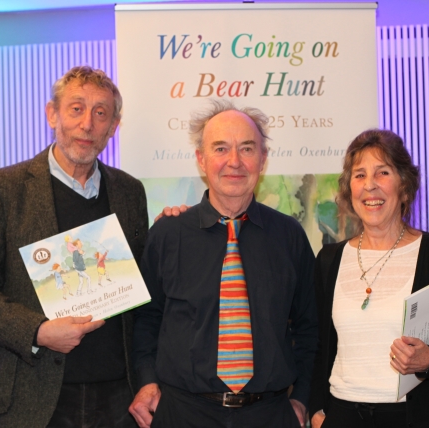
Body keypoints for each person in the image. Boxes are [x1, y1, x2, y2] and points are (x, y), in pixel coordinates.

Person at [0, 65, 148, 428]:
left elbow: (144, 287)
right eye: (76, 108)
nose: (87, 124)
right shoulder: (2, 188)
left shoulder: (130, 191)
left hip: (119, 397)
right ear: (51, 114)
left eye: (100, 113)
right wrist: (38, 331)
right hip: (30, 396)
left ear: (113, 127)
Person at [129, 100, 318, 428]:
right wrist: (146, 382)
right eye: (220, 149)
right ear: (201, 160)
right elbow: (146, 320)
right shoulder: (167, 234)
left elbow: (309, 326)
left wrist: (301, 397)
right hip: (182, 414)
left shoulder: (289, 236)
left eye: (247, 148)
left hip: (270, 415)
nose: (234, 162)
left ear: (263, 158)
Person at [308, 129, 429, 428]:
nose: (370, 186)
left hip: (415, 418)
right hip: (342, 416)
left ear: (404, 186)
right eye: (359, 175)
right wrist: (316, 410)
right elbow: (314, 347)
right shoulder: (328, 260)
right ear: (349, 189)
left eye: (382, 173)